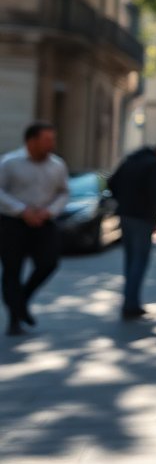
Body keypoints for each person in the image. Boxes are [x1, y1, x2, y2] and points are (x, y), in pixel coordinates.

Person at [0, 122, 69, 336]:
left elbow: (63, 192)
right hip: (13, 222)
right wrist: (22, 210)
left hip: (44, 221)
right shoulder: (10, 162)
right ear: (31, 141)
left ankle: (21, 301)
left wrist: (49, 211)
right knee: (12, 270)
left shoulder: (57, 165)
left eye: (53, 139)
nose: (52, 144)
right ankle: (14, 318)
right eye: (47, 139)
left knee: (49, 262)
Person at [108, 139, 156, 320]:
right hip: (142, 218)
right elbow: (155, 194)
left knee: (130, 260)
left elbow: (112, 182)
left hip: (125, 215)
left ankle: (129, 302)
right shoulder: (155, 164)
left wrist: (123, 201)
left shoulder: (131, 160)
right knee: (139, 260)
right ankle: (131, 304)